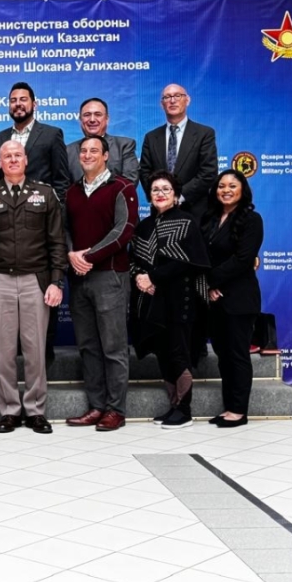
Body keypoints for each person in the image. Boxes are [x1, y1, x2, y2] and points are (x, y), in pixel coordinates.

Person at [0, 141, 66, 434]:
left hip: (35, 280)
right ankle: (10, 410)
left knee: (35, 349)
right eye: (6, 156)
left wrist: (56, 281)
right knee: (5, 350)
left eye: (17, 155)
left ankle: (36, 410)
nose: (12, 160)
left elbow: (57, 242)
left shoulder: (45, 193)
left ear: (26, 160)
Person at [0, 82, 70, 362]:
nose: (18, 104)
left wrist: (51, 211)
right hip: (7, 228)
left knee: (43, 291)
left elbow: (61, 180)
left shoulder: (51, 134)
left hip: (41, 226)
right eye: (13, 100)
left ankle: (43, 355)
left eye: (23, 99)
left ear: (34, 104)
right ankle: (14, 357)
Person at [64, 136, 138, 431]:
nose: (88, 154)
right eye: (83, 151)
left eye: (94, 150)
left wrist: (89, 256)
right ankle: (96, 407)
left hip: (110, 277)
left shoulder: (122, 188)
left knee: (113, 347)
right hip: (79, 279)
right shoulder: (71, 192)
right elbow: (65, 228)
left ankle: (115, 409)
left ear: (106, 156)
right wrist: (72, 254)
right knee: (89, 347)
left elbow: (124, 230)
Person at [130, 171, 210, 430]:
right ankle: (174, 405)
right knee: (163, 353)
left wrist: (153, 276)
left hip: (179, 300)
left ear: (176, 195)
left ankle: (185, 410)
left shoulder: (187, 222)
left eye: (166, 189)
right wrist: (141, 278)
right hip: (152, 302)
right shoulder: (143, 226)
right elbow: (134, 261)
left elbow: (189, 262)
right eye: (155, 190)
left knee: (178, 353)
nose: (160, 194)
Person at [203, 170, 265, 428]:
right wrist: (207, 285)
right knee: (223, 354)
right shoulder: (209, 219)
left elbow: (243, 259)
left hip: (239, 299)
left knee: (237, 355)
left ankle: (239, 411)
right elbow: (200, 255)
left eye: (232, 186)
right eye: (221, 186)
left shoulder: (252, 219)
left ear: (243, 190)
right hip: (213, 299)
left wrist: (213, 281)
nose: (225, 190)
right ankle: (229, 406)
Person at [138, 84, 218, 221]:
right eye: (167, 97)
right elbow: (145, 172)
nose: (172, 100)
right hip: (160, 212)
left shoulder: (204, 134)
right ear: (162, 104)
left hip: (195, 212)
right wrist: (161, 197)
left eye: (177, 96)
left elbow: (208, 172)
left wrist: (178, 196)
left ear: (187, 100)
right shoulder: (151, 137)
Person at [65, 97, 140, 186]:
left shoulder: (124, 146)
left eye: (98, 114)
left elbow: (129, 182)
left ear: (107, 119)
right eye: (87, 115)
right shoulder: (68, 151)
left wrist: (100, 197)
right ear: (80, 119)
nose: (92, 119)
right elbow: (63, 186)